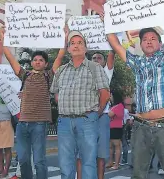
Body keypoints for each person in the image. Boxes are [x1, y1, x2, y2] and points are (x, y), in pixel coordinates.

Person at [103, 0, 164, 179]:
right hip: (140, 127)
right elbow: (114, 42)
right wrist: (108, 18)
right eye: (145, 39)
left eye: (153, 38)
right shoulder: (136, 62)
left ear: (159, 43)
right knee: (138, 174)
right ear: (140, 44)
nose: (148, 41)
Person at [0, 27, 64, 179]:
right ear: (32, 62)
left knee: (39, 160)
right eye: (35, 60)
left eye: (41, 60)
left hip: (40, 124)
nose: (37, 62)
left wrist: (64, 40)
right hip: (22, 124)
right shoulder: (24, 75)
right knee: (23, 159)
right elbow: (10, 58)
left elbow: (60, 57)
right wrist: (3, 40)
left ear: (46, 64)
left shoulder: (49, 76)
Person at [51, 30, 110, 179]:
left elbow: (104, 93)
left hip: (87, 120)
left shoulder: (94, 67)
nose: (76, 46)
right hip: (64, 121)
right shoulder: (62, 70)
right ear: (68, 48)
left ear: (85, 47)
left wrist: (96, 114)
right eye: (72, 43)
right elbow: (56, 93)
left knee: (88, 162)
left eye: (79, 43)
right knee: (65, 163)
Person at [77, 51, 115, 179]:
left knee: (101, 154)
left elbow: (111, 54)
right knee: (81, 154)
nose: (96, 59)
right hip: (84, 117)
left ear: (104, 62)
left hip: (101, 118)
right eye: (94, 58)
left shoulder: (106, 73)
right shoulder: (82, 73)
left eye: (99, 58)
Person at [106, 93, 125, 170]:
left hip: (116, 128)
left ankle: (116, 164)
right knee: (110, 146)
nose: (110, 97)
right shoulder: (113, 106)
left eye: (111, 96)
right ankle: (110, 162)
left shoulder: (119, 106)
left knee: (116, 146)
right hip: (110, 127)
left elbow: (110, 114)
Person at [121, 97, 133, 166]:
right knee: (123, 144)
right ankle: (124, 160)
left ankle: (122, 160)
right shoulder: (126, 111)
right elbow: (129, 120)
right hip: (123, 127)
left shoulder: (122, 110)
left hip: (120, 127)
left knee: (118, 144)